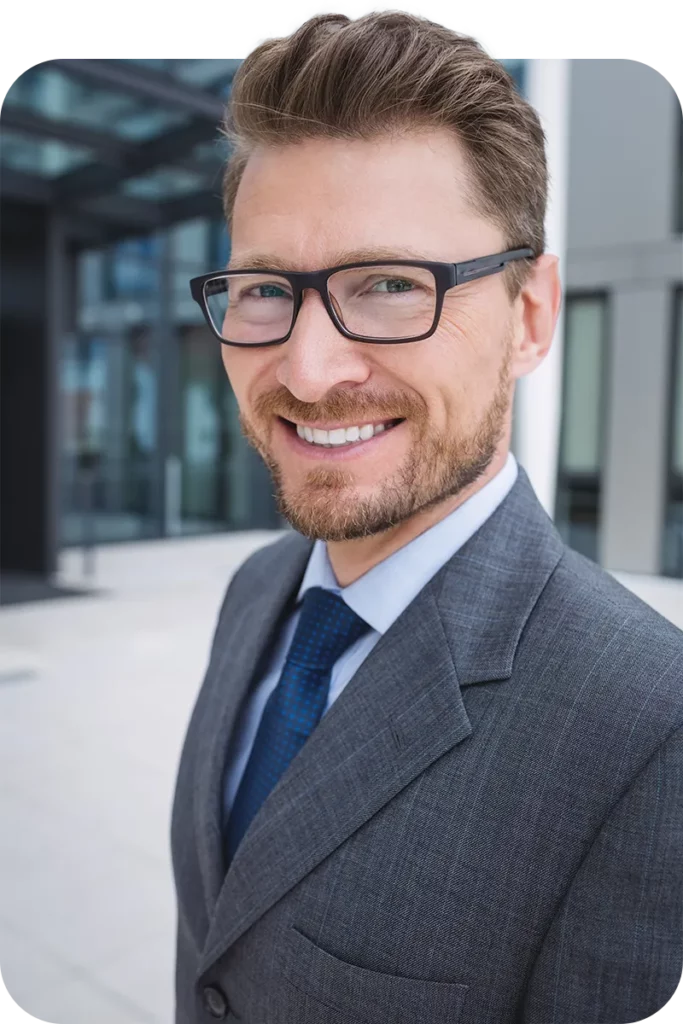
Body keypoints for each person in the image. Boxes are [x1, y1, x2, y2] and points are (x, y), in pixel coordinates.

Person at [171, 5, 683, 1022]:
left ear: (529, 315)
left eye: (390, 284)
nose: (307, 372)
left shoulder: (649, 730)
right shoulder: (256, 590)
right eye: (265, 289)